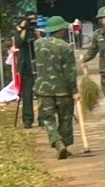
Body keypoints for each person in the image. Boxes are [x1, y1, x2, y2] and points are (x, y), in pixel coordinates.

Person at [33, 16, 80, 159]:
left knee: (47, 119)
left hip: (44, 90)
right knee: (65, 119)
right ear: (60, 30)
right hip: (63, 90)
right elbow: (70, 72)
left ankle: (57, 141)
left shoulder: (38, 44)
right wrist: (75, 91)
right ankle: (63, 143)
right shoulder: (66, 47)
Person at [12, 15, 38, 128]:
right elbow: (19, 43)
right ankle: (28, 120)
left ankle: (44, 118)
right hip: (26, 67)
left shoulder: (35, 32)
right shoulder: (19, 32)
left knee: (43, 92)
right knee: (27, 95)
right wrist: (24, 29)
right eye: (29, 20)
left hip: (37, 65)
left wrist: (37, 35)